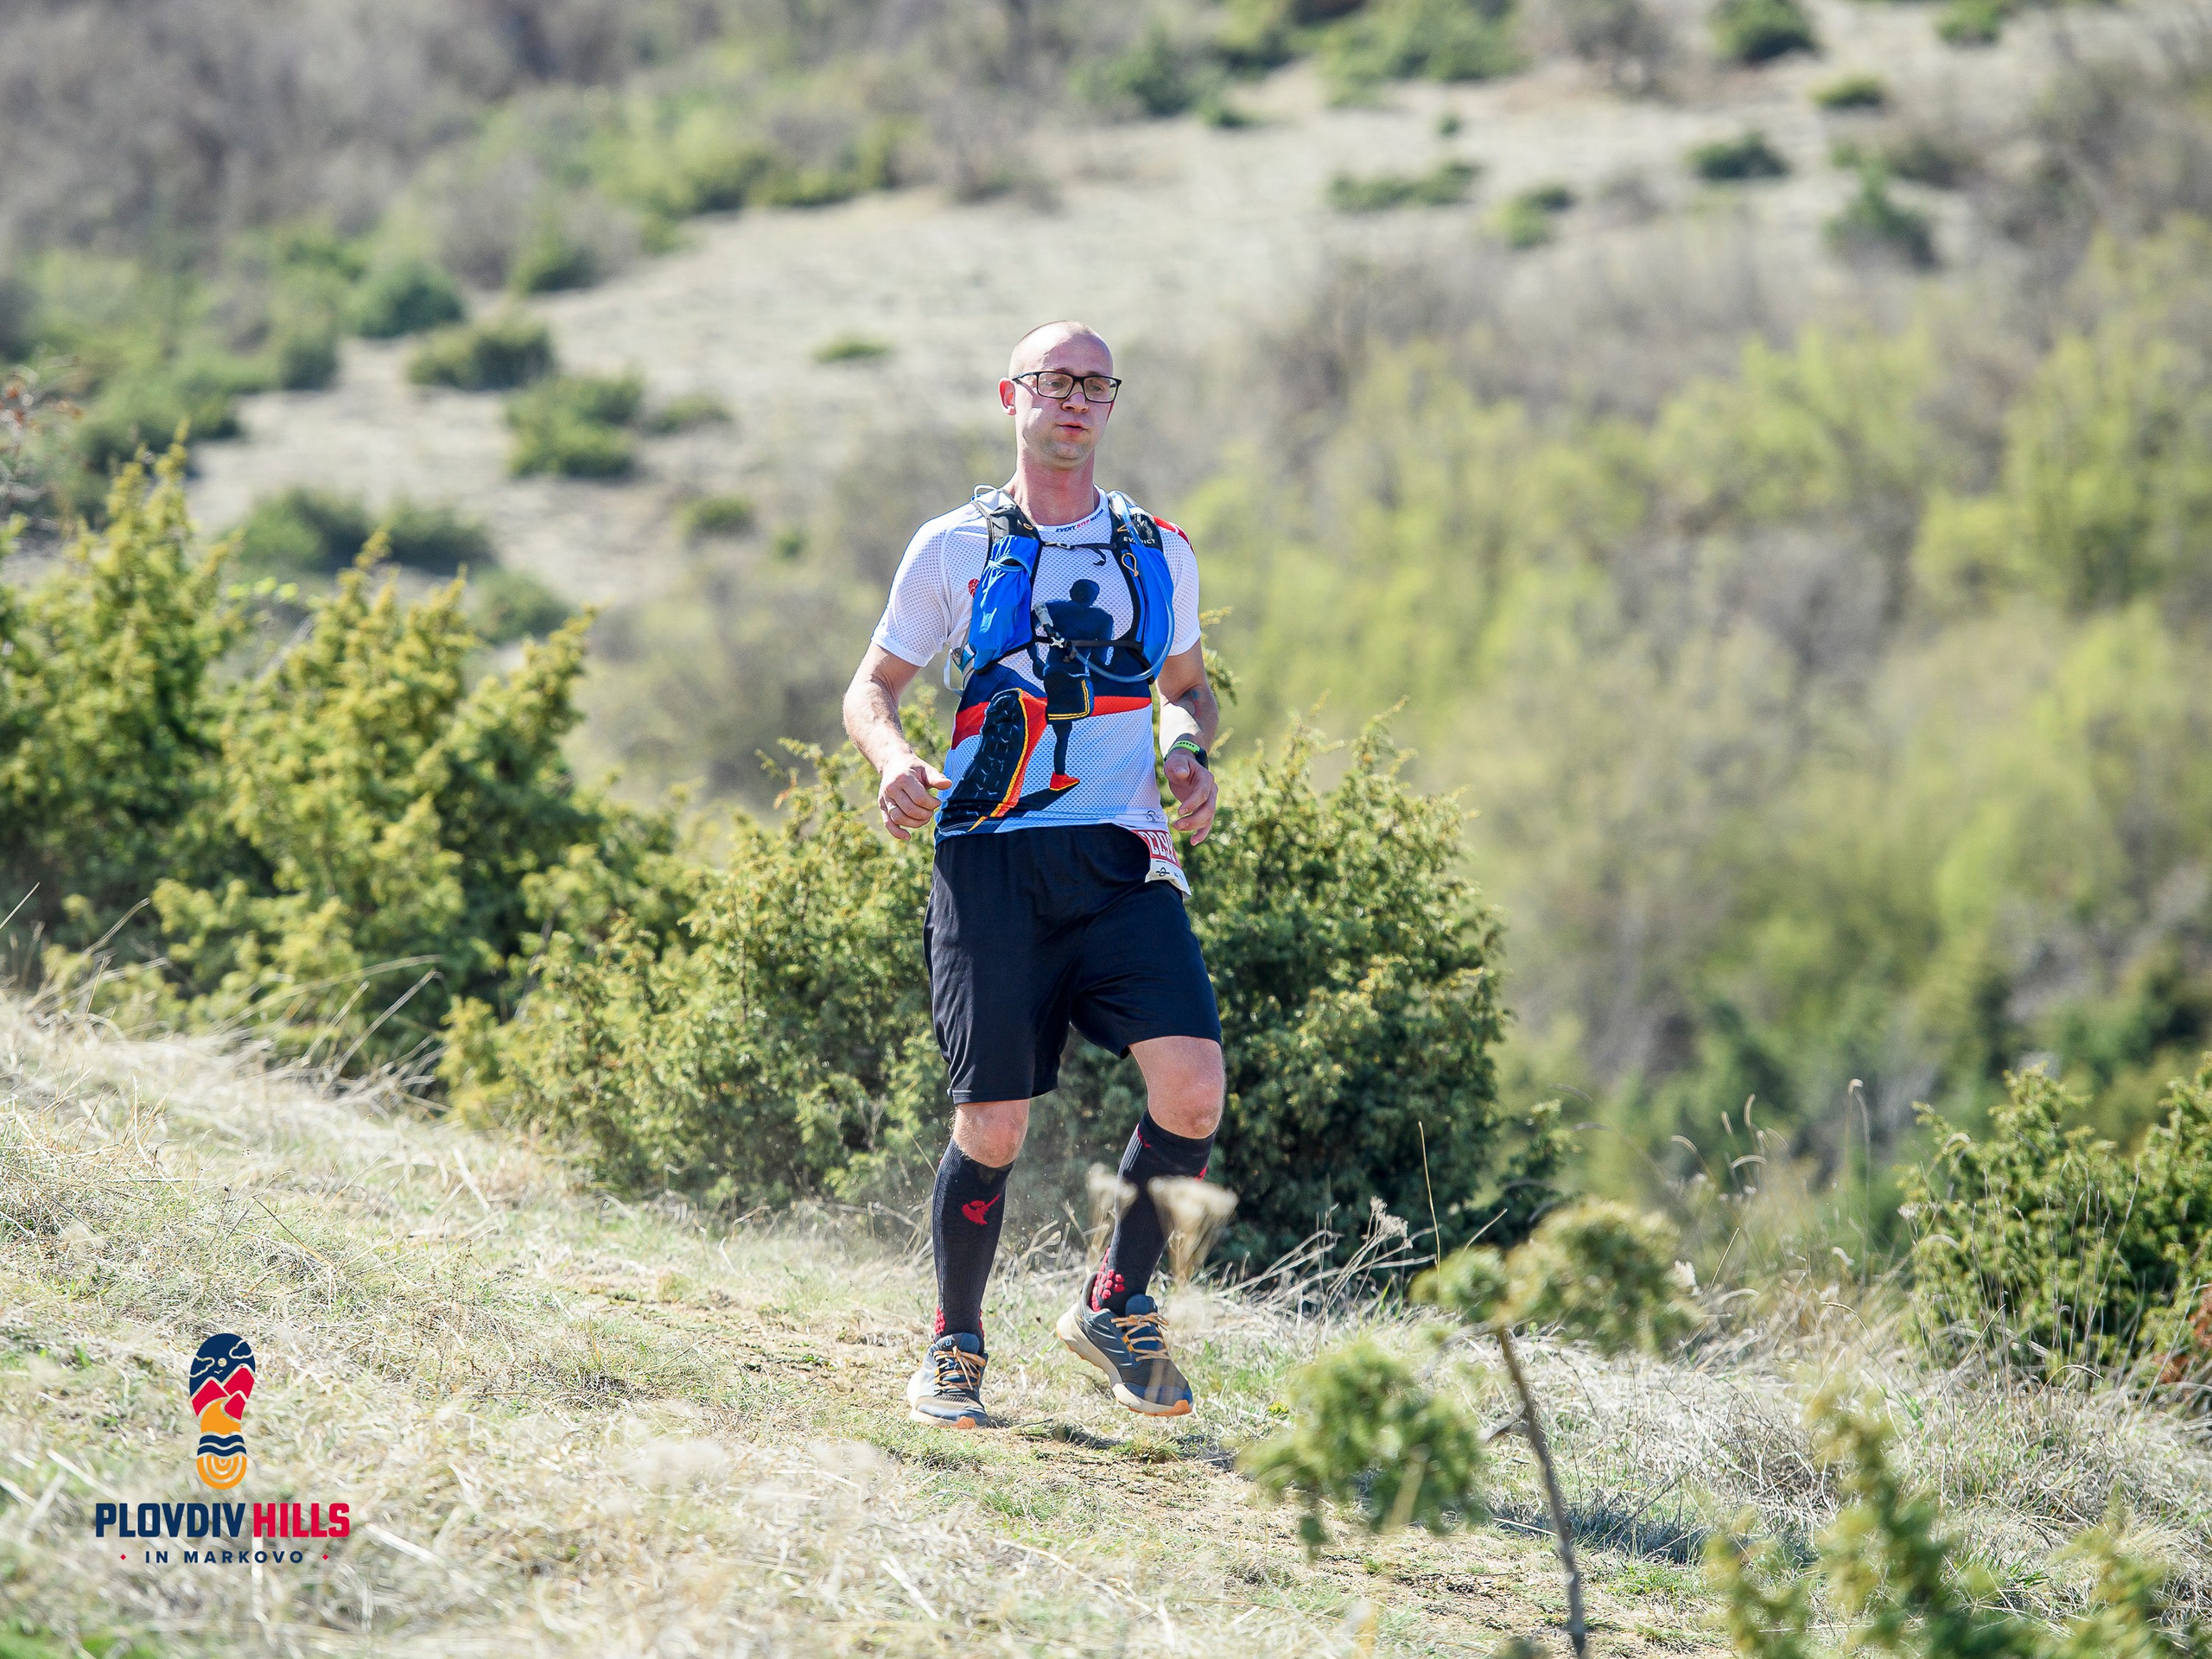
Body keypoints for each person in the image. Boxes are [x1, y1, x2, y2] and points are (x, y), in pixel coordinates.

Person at [842, 320, 1224, 1429]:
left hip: (1120, 856)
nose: (1073, 401)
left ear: (1112, 404)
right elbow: (872, 687)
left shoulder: (1159, 547)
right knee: (995, 1126)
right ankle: (954, 1347)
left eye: (1094, 386)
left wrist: (1189, 751)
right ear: (1011, 396)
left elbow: (1189, 687)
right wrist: (897, 759)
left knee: (1193, 1087)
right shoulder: (951, 545)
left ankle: (1116, 1300)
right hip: (988, 860)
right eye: (1053, 383)